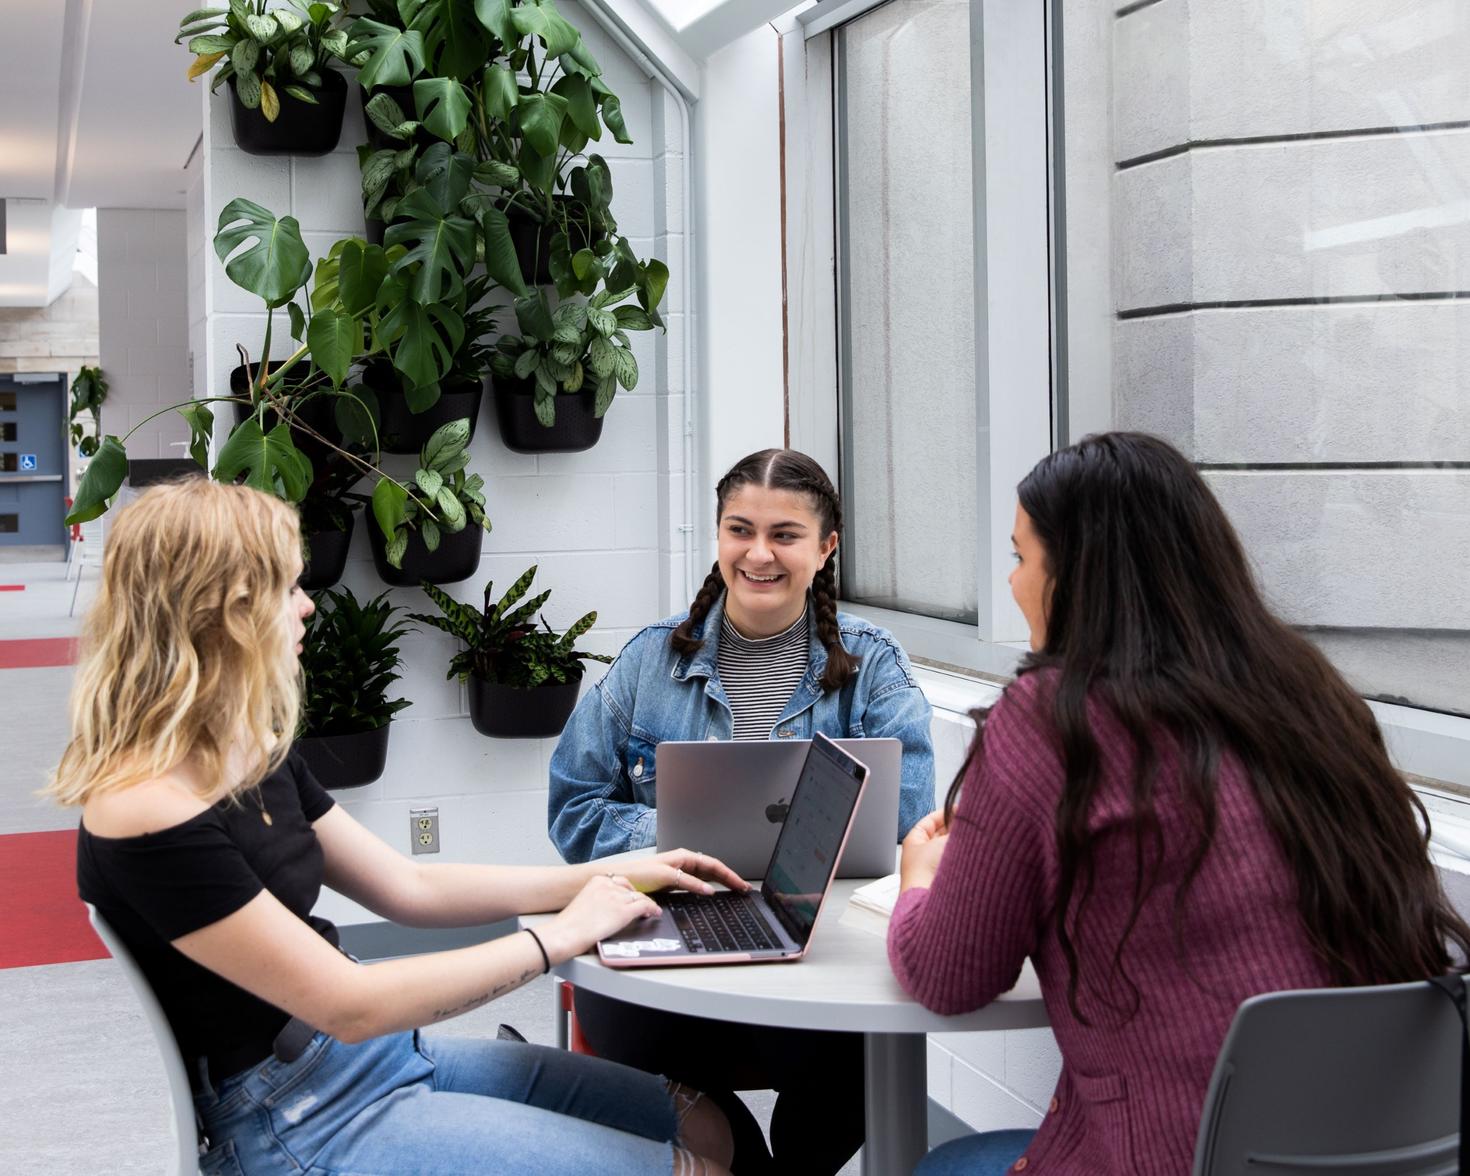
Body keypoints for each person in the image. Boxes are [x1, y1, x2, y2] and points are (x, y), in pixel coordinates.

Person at [49, 478, 747, 1176]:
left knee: (704, 1125)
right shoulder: (144, 806)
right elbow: (347, 1004)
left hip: (371, 1060)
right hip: (298, 1119)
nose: (306, 606)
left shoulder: (241, 748)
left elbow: (410, 886)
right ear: (223, 611)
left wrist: (607, 874)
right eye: (286, 589)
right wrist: (556, 936)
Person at [887, 432, 1470, 1174]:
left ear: (1076, 576)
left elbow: (948, 975)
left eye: (1021, 558)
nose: (1012, 584)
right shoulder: (1310, 698)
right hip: (1369, 1154)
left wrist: (921, 881)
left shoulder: (1052, 722)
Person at [547, 447, 936, 1173]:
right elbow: (574, 809)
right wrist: (678, 848)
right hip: (666, 961)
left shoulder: (874, 665)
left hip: (814, 960)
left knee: (860, 1056)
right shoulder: (648, 660)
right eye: (740, 530)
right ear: (719, 538)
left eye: (785, 535)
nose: (759, 553)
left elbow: (907, 826)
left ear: (826, 549)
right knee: (625, 1034)